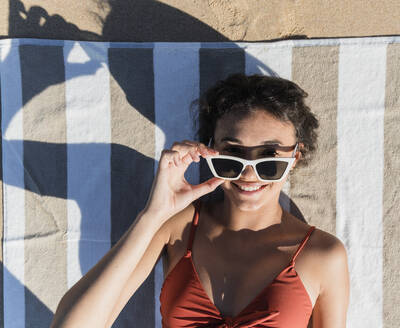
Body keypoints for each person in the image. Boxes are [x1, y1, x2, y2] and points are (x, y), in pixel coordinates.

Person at [51, 73, 349, 328]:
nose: (248, 173)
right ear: (209, 151)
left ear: (295, 158)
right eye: (232, 155)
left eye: (269, 160)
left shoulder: (323, 255)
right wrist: (153, 213)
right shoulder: (176, 225)